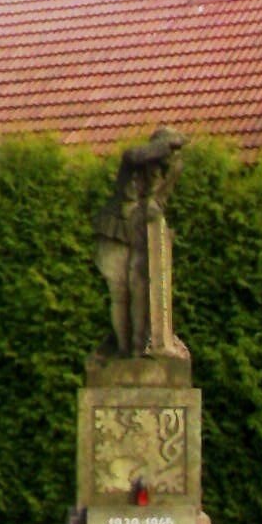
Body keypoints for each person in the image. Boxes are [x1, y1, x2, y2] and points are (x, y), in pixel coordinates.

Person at [94, 127, 186, 356]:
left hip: (136, 229)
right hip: (114, 230)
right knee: (119, 292)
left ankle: (140, 346)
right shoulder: (134, 163)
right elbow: (132, 155)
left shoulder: (166, 173)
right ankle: (123, 350)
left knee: (139, 288)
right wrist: (170, 143)